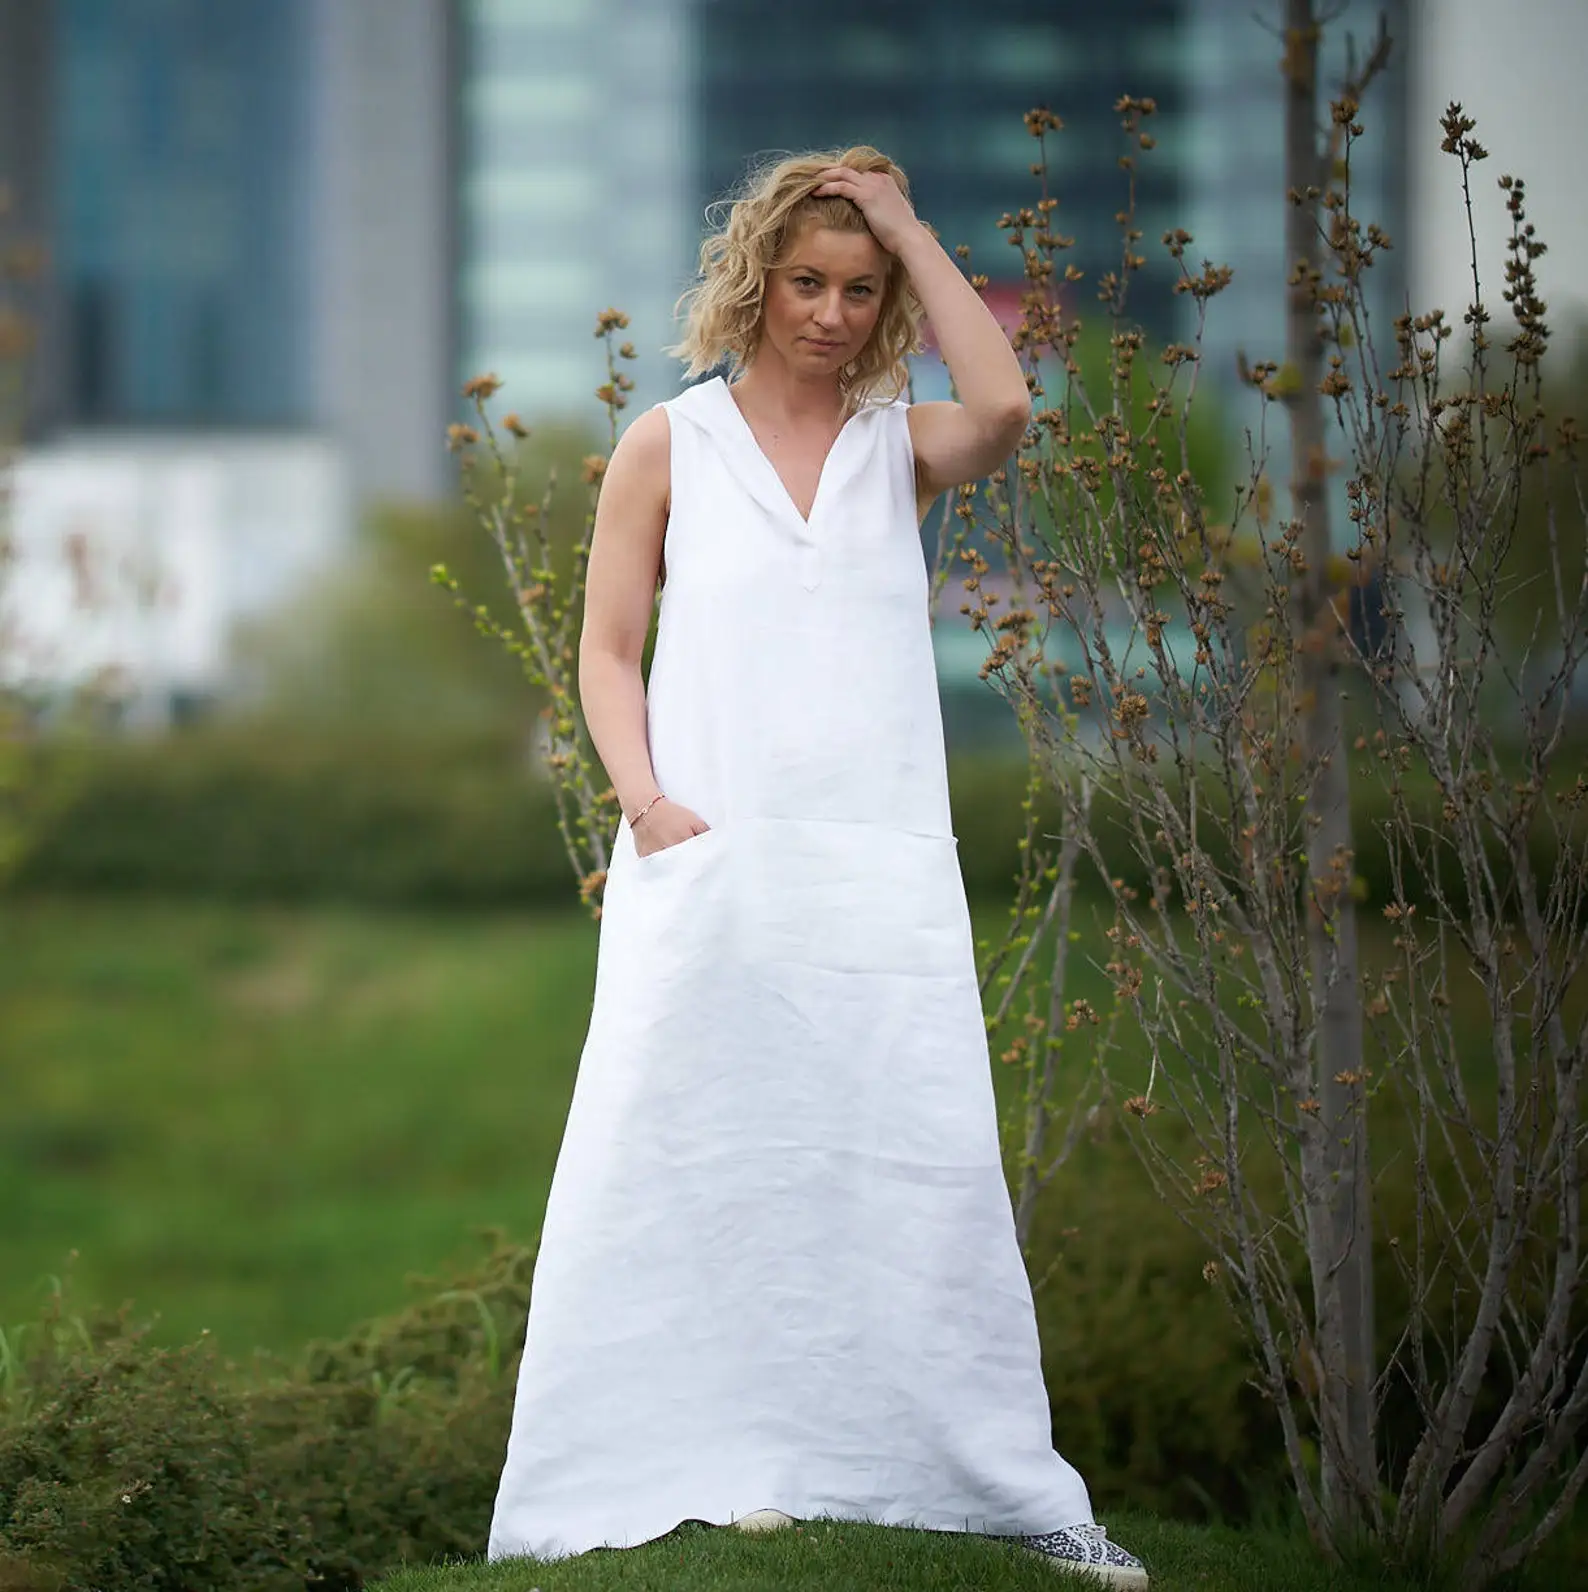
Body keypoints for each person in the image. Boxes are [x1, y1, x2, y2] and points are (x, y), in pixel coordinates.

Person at [485, 145, 1149, 1590]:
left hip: (874, 879)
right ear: (756, 283)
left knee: (915, 1170)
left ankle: (1003, 1490)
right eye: (806, 282)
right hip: (703, 860)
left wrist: (907, 223)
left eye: (859, 289)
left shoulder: (899, 446)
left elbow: (1007, 408)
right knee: (675, 1160)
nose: (832, 314)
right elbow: (608, 650)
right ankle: (671, 1464)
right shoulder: (671, 443)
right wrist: (648, 804)